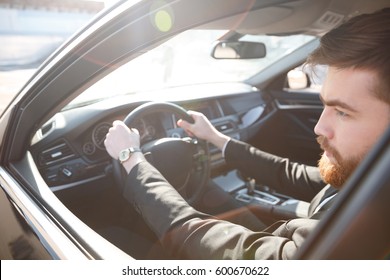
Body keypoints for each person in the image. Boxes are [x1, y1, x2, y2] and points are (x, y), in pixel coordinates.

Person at [104, 8, 390, 259]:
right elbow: (292, 175)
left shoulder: (365, 233)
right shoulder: (371, 178)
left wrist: (132, 159)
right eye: (324, 104)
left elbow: (223, 248)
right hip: (282, 232)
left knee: (115, 237)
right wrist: (217, 138)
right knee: (212, 194)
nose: (319, 127)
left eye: (343, 112)